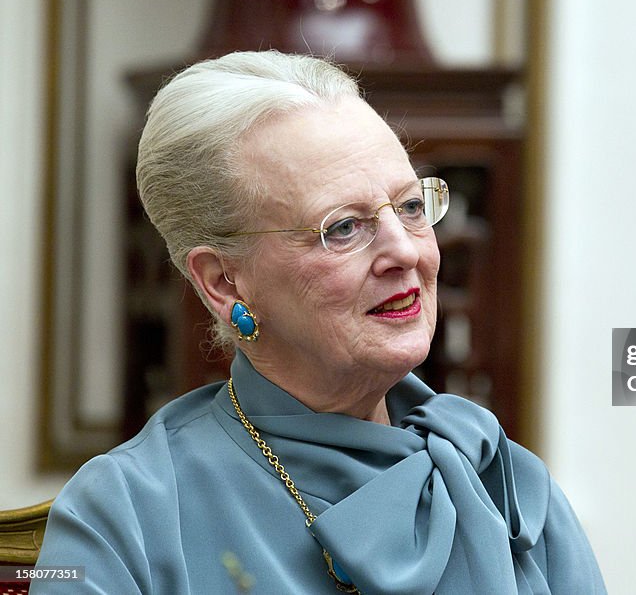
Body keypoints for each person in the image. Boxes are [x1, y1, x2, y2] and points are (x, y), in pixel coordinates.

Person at [33, 51, 606, 594]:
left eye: (410, 206)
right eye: (343, 227)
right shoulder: (128, 514)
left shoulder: (502, 480)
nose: (405, 253)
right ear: (223, 281)